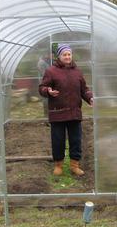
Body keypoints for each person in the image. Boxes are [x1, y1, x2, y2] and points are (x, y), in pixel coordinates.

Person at [38, 44, 93, 176]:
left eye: (69, 54)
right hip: (58, 112)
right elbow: (42, 87)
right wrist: (48, 91)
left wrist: (90, 98)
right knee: (58, 140)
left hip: (74, 112)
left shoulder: (77, 72)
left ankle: (74, 165)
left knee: (76, 140)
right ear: (59, 56)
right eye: (64, 54)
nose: (67, 57)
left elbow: (84, 89)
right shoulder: (51, 71)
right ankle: (59, 165)